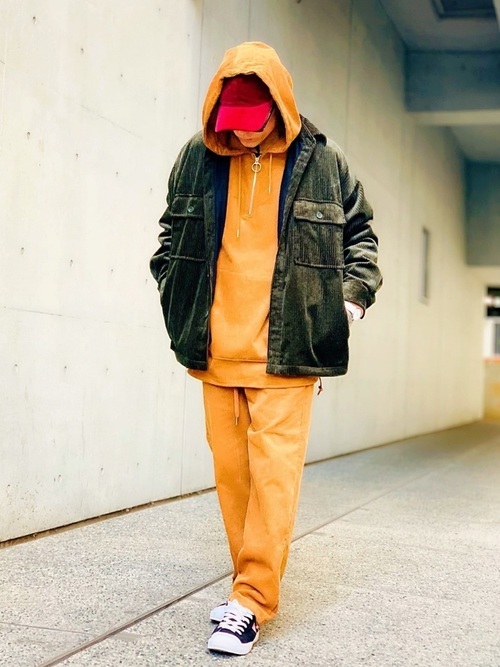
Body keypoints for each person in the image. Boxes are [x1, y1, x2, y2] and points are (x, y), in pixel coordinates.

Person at [150, 41, 382, 656]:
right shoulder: (197, 157)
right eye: (233, 124)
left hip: (289, 352)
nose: (244, 135)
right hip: (214, 351)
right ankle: (245, 588)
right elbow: (170, 234)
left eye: (254, 123)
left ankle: (250, 601)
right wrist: (172, 290)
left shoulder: (323, 161)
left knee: (274, 480)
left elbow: (361, 236)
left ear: (279, 106)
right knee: (235, 482)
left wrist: (346, 305)